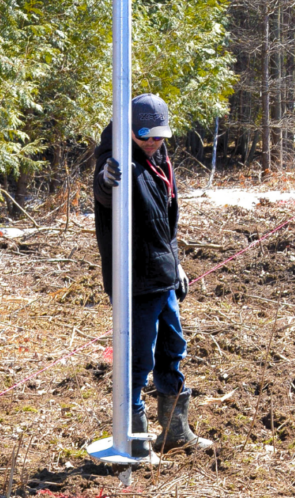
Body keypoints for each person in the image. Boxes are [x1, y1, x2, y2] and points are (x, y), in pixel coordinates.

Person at [93, 93, 212, 455]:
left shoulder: (161, 160)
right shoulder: (116, 160)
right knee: (137, 359)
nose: (151, 142)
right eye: (143, 135)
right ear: (128, 130)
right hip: (135, 282)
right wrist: (106, 179)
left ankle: (174, 432)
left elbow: (168, 223)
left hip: (163, 277)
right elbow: (103, 191)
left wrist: (175, 263)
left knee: (173, 350)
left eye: (158, 136)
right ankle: (132, 439)